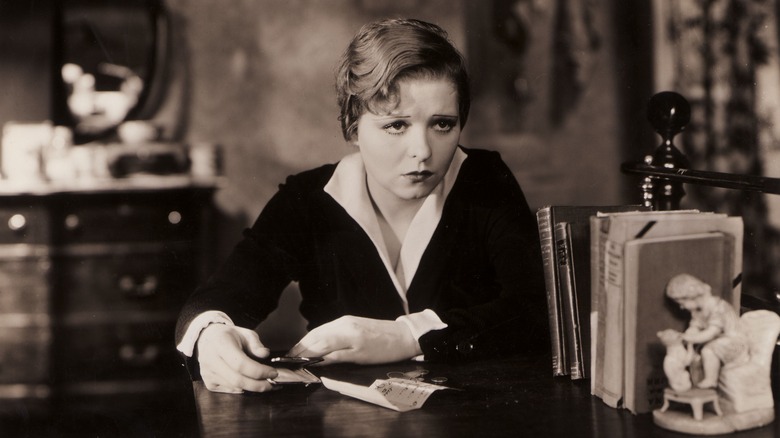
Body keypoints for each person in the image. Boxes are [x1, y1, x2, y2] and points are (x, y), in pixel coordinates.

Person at [175, 17, 548, 394]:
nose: (422, 151)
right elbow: (224, 293)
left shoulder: (485, 180)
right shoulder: (307, 199)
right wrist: (211, 334)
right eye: (396, 126)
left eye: (442, 124)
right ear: (353, 127)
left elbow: (537, 310)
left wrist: (407, 336)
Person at [664, 274, 749, 389]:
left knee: (708, 350)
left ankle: (711, 380)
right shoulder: (697, 310)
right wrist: (689, 334)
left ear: (691, 296)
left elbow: (711, 333)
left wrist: (689, 338)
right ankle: (698, 386)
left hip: (735, 343)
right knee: (696, 356)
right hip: (718, 342)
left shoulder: (718, 307)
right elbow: (694, 326)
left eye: (682, 304)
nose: (681, 308)